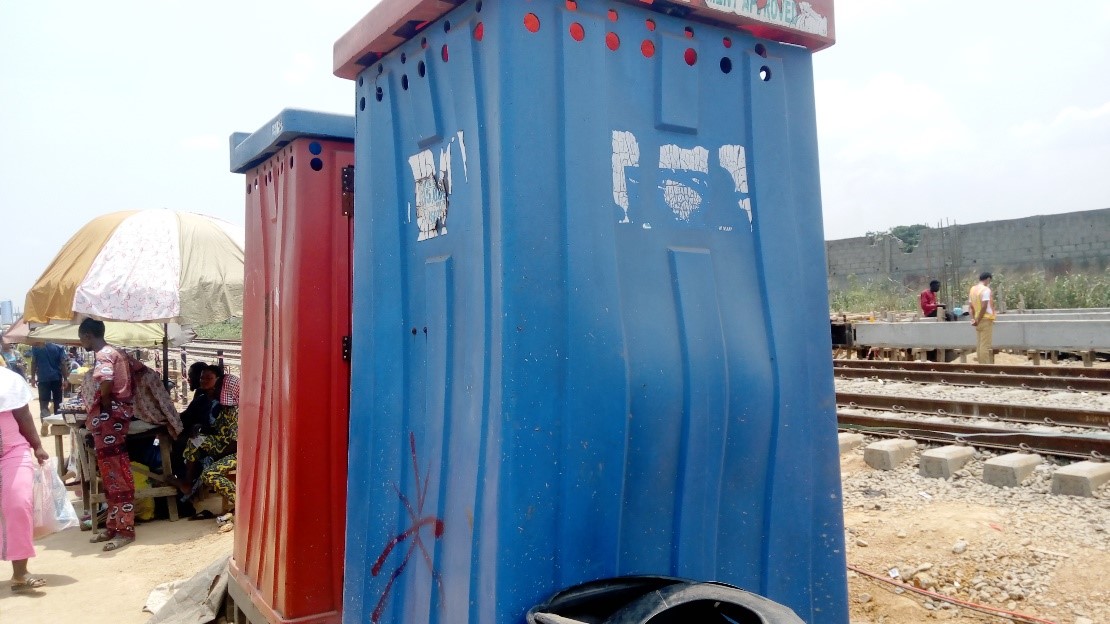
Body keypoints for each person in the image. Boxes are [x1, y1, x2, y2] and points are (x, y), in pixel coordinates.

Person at [78, 318, 136, 551]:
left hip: (110, 419)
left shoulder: (103, 355)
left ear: (88, 336)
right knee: (110, 474)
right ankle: (114, 525)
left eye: (81, 338)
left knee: (116, 473)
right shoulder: (116, 352)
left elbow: (106, 381)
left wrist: (103, 404)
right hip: (116, 417)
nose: (81, 341)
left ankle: (125, 530)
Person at [0, 364, 51, 591]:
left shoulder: (8, 380)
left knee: (19, 504)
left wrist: (37, 446)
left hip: (13, 450)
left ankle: (20, 573)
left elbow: (23, 414)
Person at [177, 365, 239, 513]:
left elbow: (235, 444)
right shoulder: (227, 407)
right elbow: (217, 428)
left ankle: (242, 503)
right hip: (224, 445)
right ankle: (188, 482)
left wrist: (216, 456)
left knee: (209, 474)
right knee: (195, 440)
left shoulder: (238, 411)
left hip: (238, 452)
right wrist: (200, 428)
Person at [30, 341, 67, 420]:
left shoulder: (37, 345)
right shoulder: (59, 346)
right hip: (57, 378)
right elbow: (63, 363)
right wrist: (66, 379)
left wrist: (33, 377)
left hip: (43, 378)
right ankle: (58, 427)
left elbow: (34, 362)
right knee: (58, 402)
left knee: (44, 402)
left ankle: (45, 421)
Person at [969, 271, 996, 364]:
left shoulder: (973, 289)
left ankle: (981, 366)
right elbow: (984, 306)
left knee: (979, 345)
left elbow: (970, 307)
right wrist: (978, 319)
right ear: (988, 279)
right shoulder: (985, 290)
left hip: (977, 320)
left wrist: (973, 319)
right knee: (985, 345)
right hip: (985, 319)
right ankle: (985, 367)